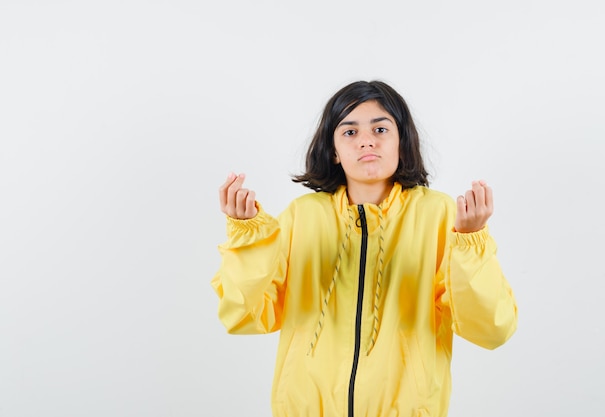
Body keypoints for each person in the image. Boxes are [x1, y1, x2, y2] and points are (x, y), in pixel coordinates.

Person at [212, 80, 518, 417]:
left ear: (402, 142)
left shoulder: (441, 216)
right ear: (333, 151)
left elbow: (491, 328)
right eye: (349, 132)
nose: (367, 140)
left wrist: (470, 243)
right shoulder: (302, 216)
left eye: (381, 128)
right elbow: (243, 316)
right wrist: (249, 238)